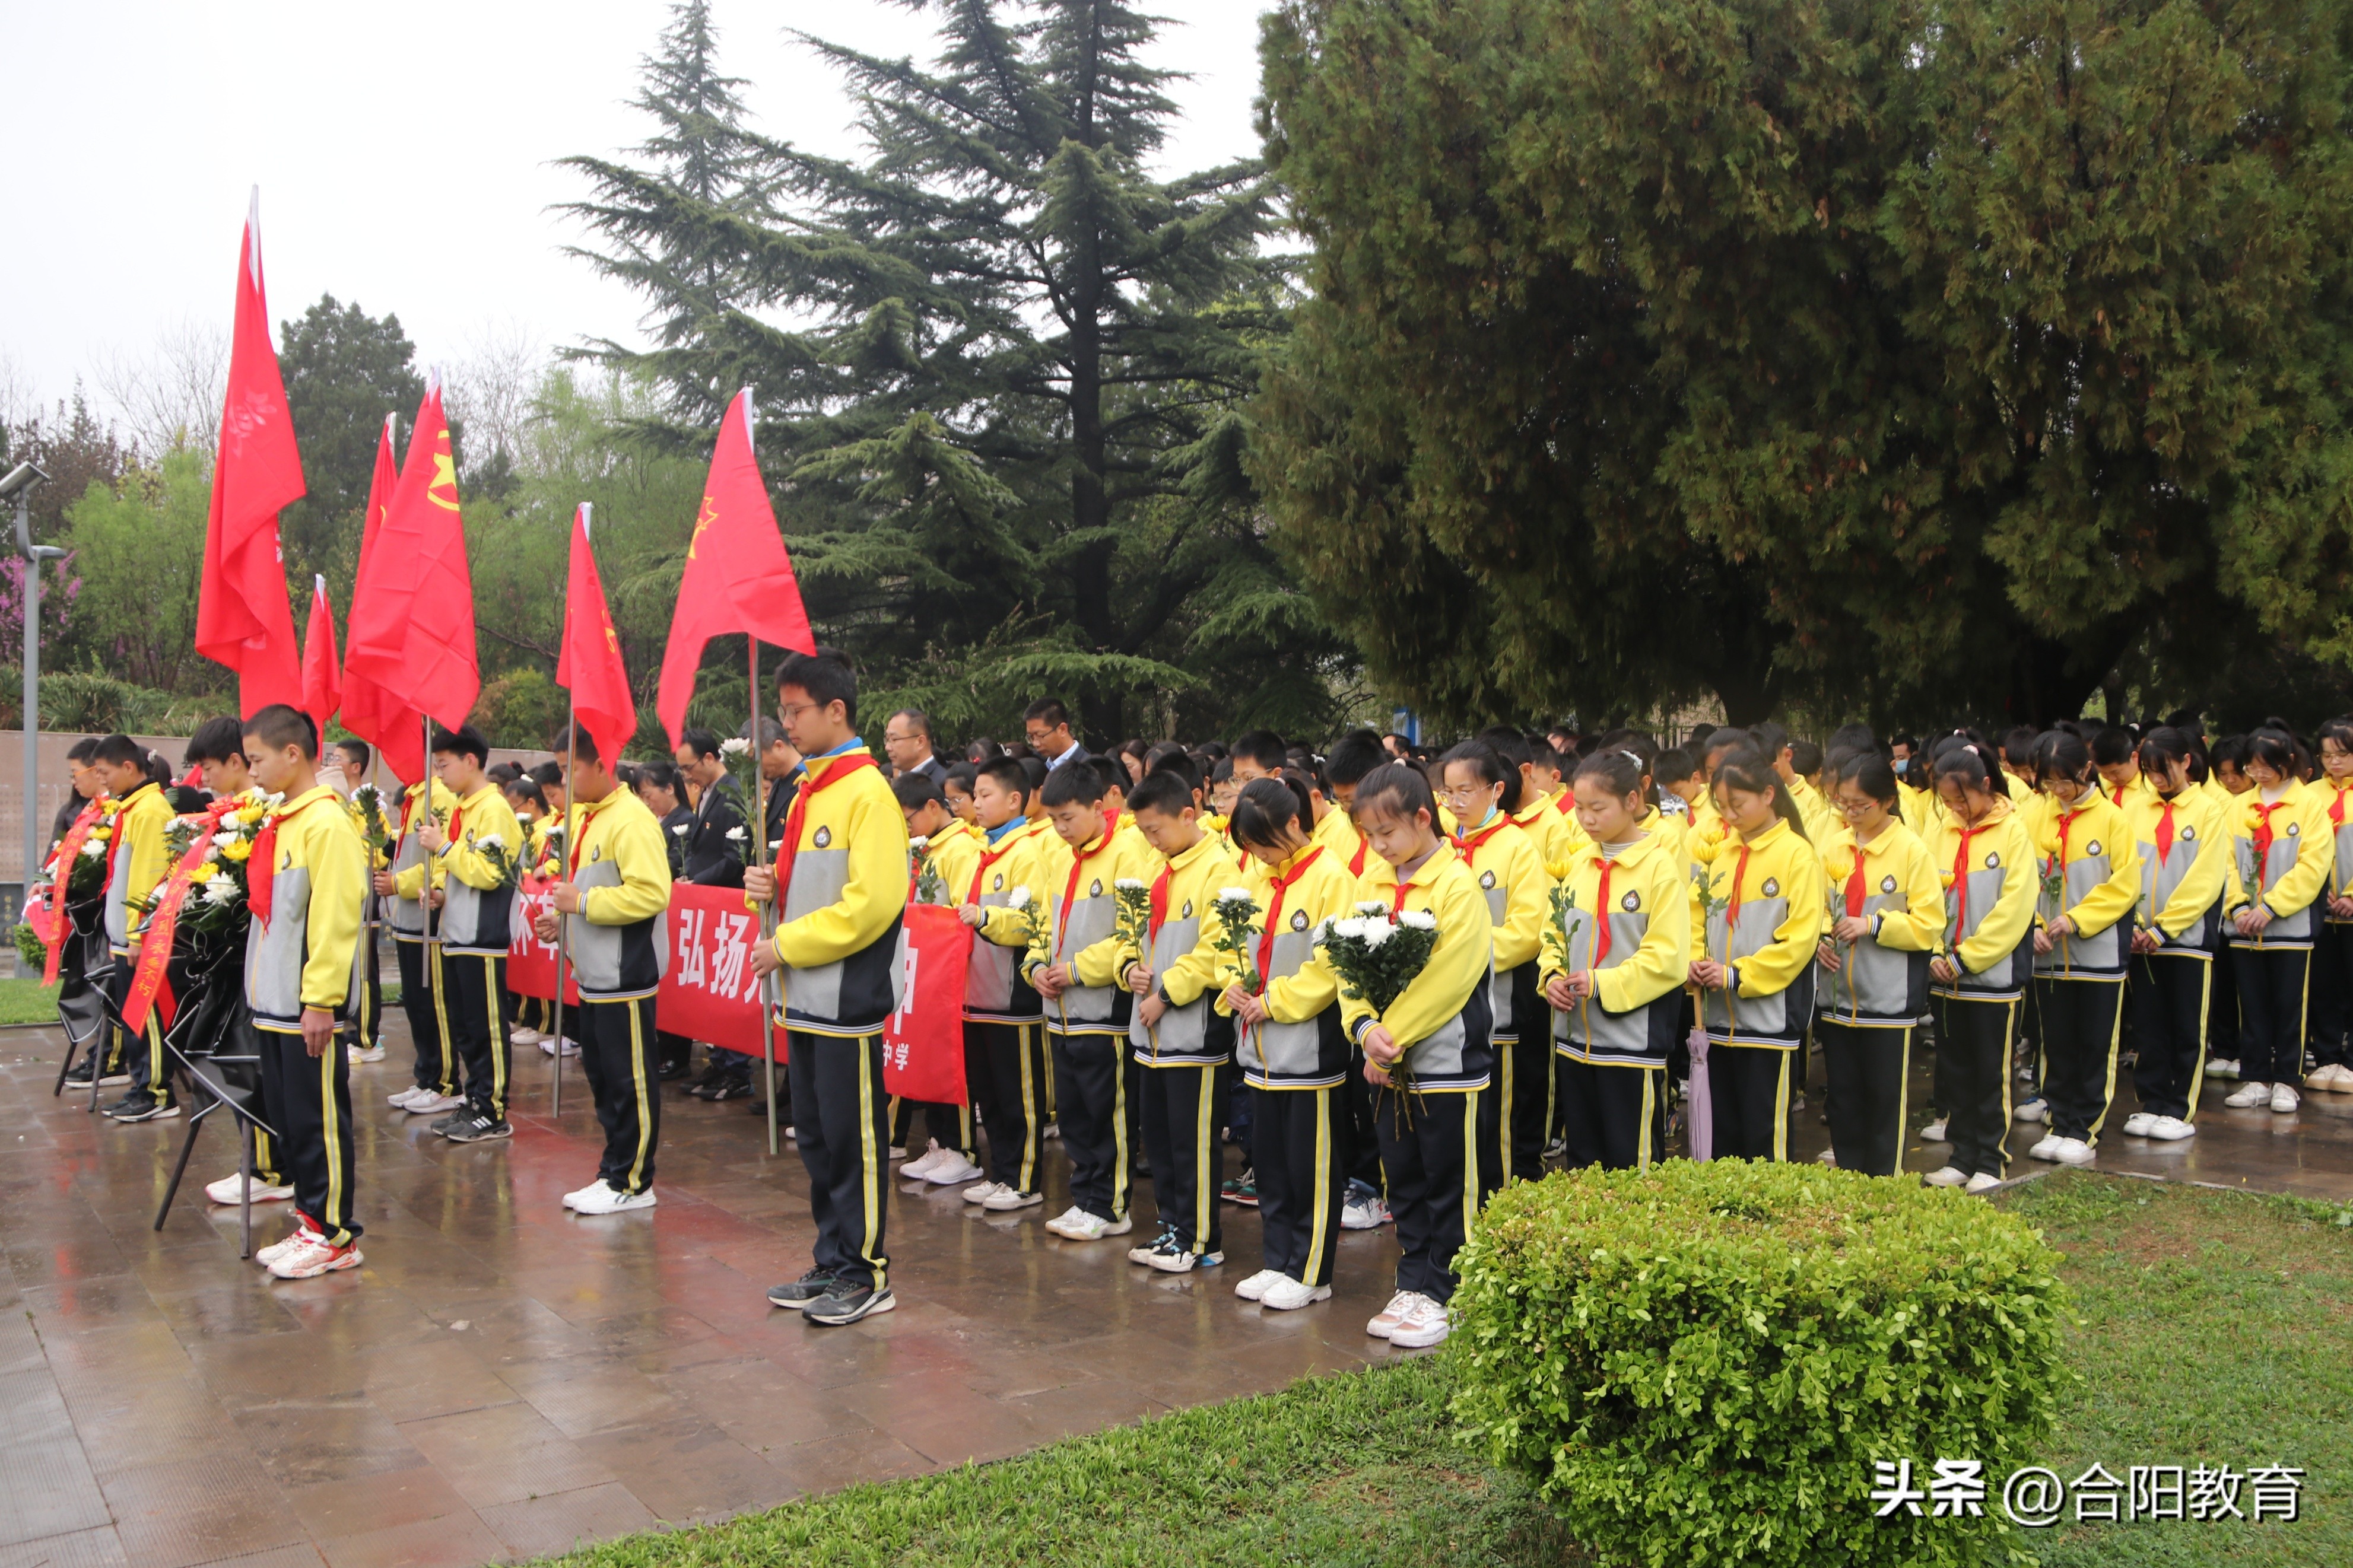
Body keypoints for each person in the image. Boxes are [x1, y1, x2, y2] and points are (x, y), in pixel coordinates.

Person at [748, 647, 909, 1326]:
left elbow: (870, 904)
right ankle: (831, 1259)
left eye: (794, 712)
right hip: (803, 998)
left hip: (844, 998)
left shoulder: (867, 792)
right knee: (814, 1136)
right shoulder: (810, 790)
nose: (785, 725)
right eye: (782, 712)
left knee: (853, 1139)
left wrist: (784, 943)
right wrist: (769, 889)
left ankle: (867, 1271)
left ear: (835, 710)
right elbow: (813, 888)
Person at [1347, 762, 1493, 1352]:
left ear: (1422, 819)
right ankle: (1413, 1280)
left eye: (1387, 834)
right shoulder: (1372, 885)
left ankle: (1452, 1289)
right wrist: (1361, 1028)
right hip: (1385, 1065)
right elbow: (1346, 964)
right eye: (1369, 837)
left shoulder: (1458, 886)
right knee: (1401, 1177)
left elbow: (1450, 977)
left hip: (1444, 1065)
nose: (1378, 847)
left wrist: (1392, 1034)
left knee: (1447, 1180)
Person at [1219, 775, 1358, 1310]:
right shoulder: (1257, 878)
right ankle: (1277, 1258)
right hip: (1260, 1050)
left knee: (1312, 1166)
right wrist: (1230, 981)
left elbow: (1331, 968)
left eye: (1262, 841)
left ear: (1295, 823)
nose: (1254, 853)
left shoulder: (1331, 879)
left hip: (1309, 1050)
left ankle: (1311, 1270)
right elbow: (1232, 946)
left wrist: (1275, 1001)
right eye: (1248, 844)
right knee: (1272, 1163)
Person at [240, 705, 369, 1280]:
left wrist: (320, 999)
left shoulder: (327, 823)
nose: (253, 772)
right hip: (274, 1007)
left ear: (294, 754)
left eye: (257, 760)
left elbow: (335, 918)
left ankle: (335, 1234)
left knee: (318, 1123)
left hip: (303, 1008)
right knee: (294, 1123)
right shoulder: (288, 821)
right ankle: (310, 1222)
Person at [536, 723, 673, 1214]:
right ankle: (614, 1170)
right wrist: (563, 919)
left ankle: (634, 1180)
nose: (566, 779)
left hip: (625, 973)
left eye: (571, 768)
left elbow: (652, 892)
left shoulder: (630, 819)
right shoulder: (589, 817)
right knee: (603, 1078)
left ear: (601, 764)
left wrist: (583, 901)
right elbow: (591, 889)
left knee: (629, 1080)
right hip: (593, 974)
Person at [1542, 749, 1693, 1171]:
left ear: (1631, 801)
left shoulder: (1659, 868)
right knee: (1584, 1162)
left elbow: (1667, 957)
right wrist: (1550, 974)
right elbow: (1552, 932)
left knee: (1633, 1164)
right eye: (1579, 808)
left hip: (1630, 1047)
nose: (1586, 819)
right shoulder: (1579, 864)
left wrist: (1601, 983)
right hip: (1575, 1044)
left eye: (1598, 808)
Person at [1119, 767, 1244, 1271]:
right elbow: (1133, 933)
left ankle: (1200, 1237)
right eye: (1144, 831)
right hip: (1149, 1032)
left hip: (1192, 1031)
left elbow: (1215, 950)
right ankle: (1171, 1227)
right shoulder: (1159, 867)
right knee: (1162, 1139)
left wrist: (1166, 994)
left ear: (1188, 814)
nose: (1150, 839)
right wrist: (1129, 966)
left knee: (1192, 1140)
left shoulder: (1219, 869)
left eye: (1156, 829)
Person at [1028, 762, 1156, 1243]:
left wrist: (1078, 968)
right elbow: (1041, 922)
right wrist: (1037, 966)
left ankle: (1110, 1204)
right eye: (1053, 820)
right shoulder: (1062, 858)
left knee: (1109, 1112)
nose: (1059, 829)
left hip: (1103, 1010)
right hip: (1059, 1011)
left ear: (1099, 808)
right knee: (1076, 1114)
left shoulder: (1128, 854)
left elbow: (1131, 934)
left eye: (1067, 818)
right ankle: (1084, 1198)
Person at [1688, 748, 1825, 1161]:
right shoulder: (1717, 853)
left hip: (1768, 1021)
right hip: (1716, 1019)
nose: (1729, 815)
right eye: (1722, 806)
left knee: (1764, 1133)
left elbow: (1799, 941)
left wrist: (1736, 974)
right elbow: (1694, 916)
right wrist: (1694, 960)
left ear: (1768, 794)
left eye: (1738, 804)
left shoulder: (1797, 854)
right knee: (1724, 1133)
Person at [1811, 753, 1944, 1176]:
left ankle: (1884, 1179)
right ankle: (1849, 1172)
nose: (1849, 813)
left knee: (1884, 1095)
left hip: (1886, 1000)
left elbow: (1928, 925)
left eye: (1859, 805)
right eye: (1842, 803)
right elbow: (1812, 906)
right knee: (1843, 1095)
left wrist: (1873, 924)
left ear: (1887, 800)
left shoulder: (1910, 850)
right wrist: (1817, 936)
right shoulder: (1834, 846)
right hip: (1836, 996)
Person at [1923, 737, 2038, 1193]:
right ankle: (1962, 1153)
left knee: (1992, 1073)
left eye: (1962, 798)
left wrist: (1964, 957)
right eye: (1947, 801)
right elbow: (1926, 897)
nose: (1955, 808)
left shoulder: (2012, 832)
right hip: (1945, 979)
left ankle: (1993, 1158)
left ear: (1985, 785)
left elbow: (2014, 909)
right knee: (1954, 1072)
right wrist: (1935, 951)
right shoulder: (1942, 831)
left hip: (1991, 978)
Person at [2021, 730, 2141, 1168]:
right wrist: (2032, 922)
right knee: (2055, 1041)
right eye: (2048, 783)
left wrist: (2078, 918)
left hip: (2097, 954)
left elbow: (2124, 884)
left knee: (2094, 1042)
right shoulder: (2035, 818)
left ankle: (2084, 1128)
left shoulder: (2112, 819)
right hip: (2048, 955)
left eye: (2063, 782)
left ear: (2085, 771)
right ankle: (2058, 1119)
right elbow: (2021, 880)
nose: (2056, 791)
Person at [1435, 740, 1545, 1193]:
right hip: (1445, 1014)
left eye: (1467, 791)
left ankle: (1499, 1214)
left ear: (1496, 789)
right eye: (1448, 792)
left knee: (1498, 1125)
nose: (1456, 802)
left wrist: (1462, 956)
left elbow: (1526, 931)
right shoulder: (1443, 848)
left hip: (1498, 1011)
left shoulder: (1517, 847)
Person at [949, 756, 1055, 1204]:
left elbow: (1032, 921)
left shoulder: (1025, 853)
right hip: (976, 995)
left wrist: (986, 916)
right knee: (989, 1094)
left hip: (1012, 997)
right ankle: (1001, 1172)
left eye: (985, 794)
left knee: (1019, 1097)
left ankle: (1024, 1180)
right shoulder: (981, 852)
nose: (977, 802)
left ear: (1015, 799)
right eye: (975, 795)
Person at [2120, 727, 2229, 1141]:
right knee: (2148, 1026)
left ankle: (2179, 1106)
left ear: (2186, 761)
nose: (2157, 779)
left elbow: (2206, 878)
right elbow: (2123, 869)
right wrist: (2131, 924)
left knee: (2187, 1026)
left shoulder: (2208, 809)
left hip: (2186, 941)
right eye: (2149, 771)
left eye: (2163, 769)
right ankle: (2151, 1100)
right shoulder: (2134, 809)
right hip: (2140, 941)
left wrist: (2166, 927)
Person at [417, 724, 525, 1143]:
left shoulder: (492, 809)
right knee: (466, 1026)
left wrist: (443, 847)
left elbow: (492, 872)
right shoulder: (467, 808)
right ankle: (476, 1100)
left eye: (443, 765)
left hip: (483, 938)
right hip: (460, 933)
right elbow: (468, 869)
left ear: (470, 760)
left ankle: (493, 1109)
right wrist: (444, 894)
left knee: (486, 1027)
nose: (439, 774)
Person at [2221, 725, 2335, 1116]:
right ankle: (2255, 1076)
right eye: (2251, 767)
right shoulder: (2238, 807)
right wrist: (2237, 907)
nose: (2258, 773)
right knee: (2250, 1004)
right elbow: (2225, 863)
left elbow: (2313, 866)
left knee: (2289, 1004)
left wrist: (2269, 907)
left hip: (2289, 926)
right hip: (2243, 928)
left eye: (2265, 766)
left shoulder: (2308, 806)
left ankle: (2286, 1079)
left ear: (2287, 762)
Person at [894, 772, 985, 1181]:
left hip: (950, 975)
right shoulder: (926, 848)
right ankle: (939, 1141)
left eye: (909, 817)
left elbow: (962, 914)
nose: (907, 827)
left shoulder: (961, 848)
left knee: (951, 1063)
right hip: (923, 972)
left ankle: (962, 1148)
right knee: (928, 1060)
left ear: (933, 806)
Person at [95, 733, 179, 1122]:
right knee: (133, 1019)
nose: (103, 781)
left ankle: (158, 1092)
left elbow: (148, 879)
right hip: (124, 938)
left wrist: (138, 935)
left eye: (105, 772)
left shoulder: (149, 810)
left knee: (147, 1018)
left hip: (138, 939)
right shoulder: (134, 808)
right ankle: (140, 1084)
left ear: (128, 767)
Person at [379, 761, 461, 1119]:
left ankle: (445, 1082)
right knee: (415, 1002)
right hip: (407, 919)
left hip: (427, 916)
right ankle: (426, 1076)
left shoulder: (438, 794)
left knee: (434, 1004)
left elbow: (441, 862)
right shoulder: (415, 796)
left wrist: (399, 883)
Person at [635, 759, 698, 1080]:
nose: (647, 803)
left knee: (679, 988)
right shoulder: (659, 821)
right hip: (663, 916)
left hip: (677, 911)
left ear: (669, 789)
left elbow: (675, 862)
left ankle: (677, 1053)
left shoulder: (684, 821)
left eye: (649, 795)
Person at [2304, 715, 2353, 1093]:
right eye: (2327, 755)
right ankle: (2327, 1057)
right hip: (2319, 910)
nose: (2334, 763)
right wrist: (2322, 892)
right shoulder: (2309, 796)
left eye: (2342, 755)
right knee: (2323, 985)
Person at [1023, 698, 1088, 771]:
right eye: (1031, 737)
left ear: (1062, 729)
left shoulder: (1089, 769)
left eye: (1040, 736)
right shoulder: (1038, 770)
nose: (1035, 744)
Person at [884, 708, 946, 783]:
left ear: (920, 742)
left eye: (894, 739)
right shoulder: (896, 782)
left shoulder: (943, 784)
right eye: (887, 739)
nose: (887, 747)